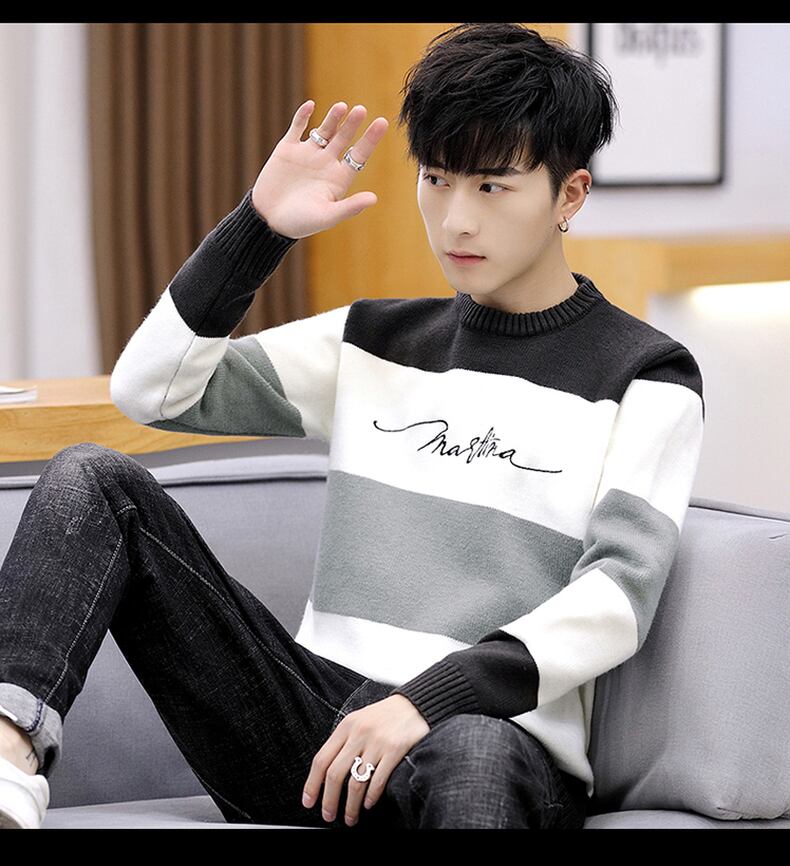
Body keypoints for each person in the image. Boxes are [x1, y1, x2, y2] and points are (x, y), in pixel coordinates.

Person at [0, 22, 705, 830]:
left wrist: (426, 701)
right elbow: (149, 390)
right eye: (437, 179)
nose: (456, 220)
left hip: (488, 739)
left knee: (475, 749)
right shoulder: (374, 339)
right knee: (93, 481)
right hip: (315, 740)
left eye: (491, 187)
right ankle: (9, 757)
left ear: (569, 195)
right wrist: (259, 227)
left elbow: (617, 596)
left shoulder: (646, 375)